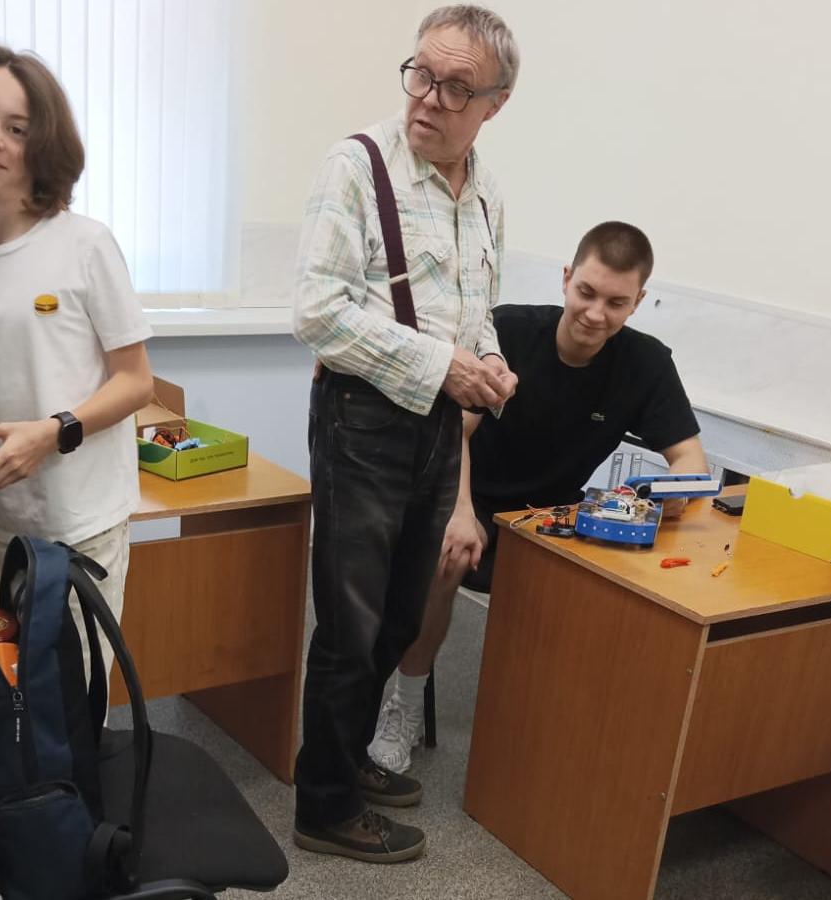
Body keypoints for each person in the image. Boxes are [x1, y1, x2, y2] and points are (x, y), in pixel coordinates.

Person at [290, 5, 519, 864]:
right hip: (361, 420)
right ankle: (324, 806)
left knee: (398, 617)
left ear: (494, 105)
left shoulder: (488, 194)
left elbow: (477, 311)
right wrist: (443, 364)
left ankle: (343, 758)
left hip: (438, 427)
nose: (427, 97)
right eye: (421, 72)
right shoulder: (356, 166)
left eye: (456, 87)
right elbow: (317, 313)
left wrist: (489, 363)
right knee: (350, 629)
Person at [368, 221, 709, 773]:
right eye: (587, 292)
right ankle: (404, 705)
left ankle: (556, 721)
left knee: (617, 585)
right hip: (468, 494)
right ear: (567, 278)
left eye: (616, 303)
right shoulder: (507, 334)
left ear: (638, 301)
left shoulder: (646, 363)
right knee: (446, 555)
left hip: (556, 515)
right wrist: (460, 514)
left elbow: (691, 461)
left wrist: (668, 495)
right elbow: (455, 434)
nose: (595, 313)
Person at [0, 45, 154, 686]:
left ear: (40, 147)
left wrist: (52, 432)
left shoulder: (84, 244)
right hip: (0, 519)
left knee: (73, 703)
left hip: (82, 520)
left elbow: (136, 381)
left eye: (16, 129)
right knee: (10, 697)